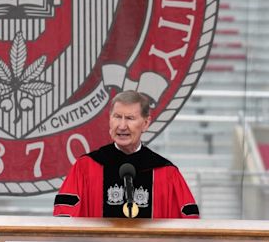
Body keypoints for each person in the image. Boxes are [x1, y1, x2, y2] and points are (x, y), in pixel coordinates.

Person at [53, 90, 200, 218]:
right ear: (109, 119)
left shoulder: (166, 172)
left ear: (146, 123)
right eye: (117, 117)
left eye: (130, 118)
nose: (122, 126)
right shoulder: (85, 167)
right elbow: (64, 218)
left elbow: (187, 224)